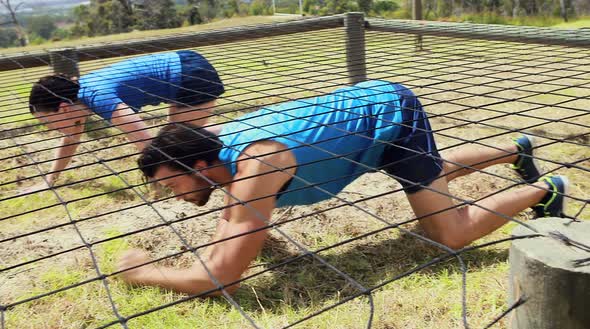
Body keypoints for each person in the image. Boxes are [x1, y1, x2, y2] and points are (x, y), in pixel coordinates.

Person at [118, 80, 569, 296]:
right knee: (429, 175)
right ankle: (515, 149)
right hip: (362, 128)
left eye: (170, 184)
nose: (171, 196)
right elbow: (232, 227)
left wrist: (141, 272)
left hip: (392, 118)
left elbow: (220, 279)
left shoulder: (255, 168)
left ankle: (545, 189)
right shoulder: (221, 154)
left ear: (198, 165)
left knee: (447, 233)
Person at [25, 50, 225, 193]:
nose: (49, 128)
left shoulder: (98, 98)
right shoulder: (76, 98)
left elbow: (148, 146)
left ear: (63, 108)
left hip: (191, 74)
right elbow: (70, 141)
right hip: (182, 66)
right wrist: (49, 181)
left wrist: (160, 186)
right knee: (180, 140)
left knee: (182, 145)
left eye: (47, 121)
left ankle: (240, 133)